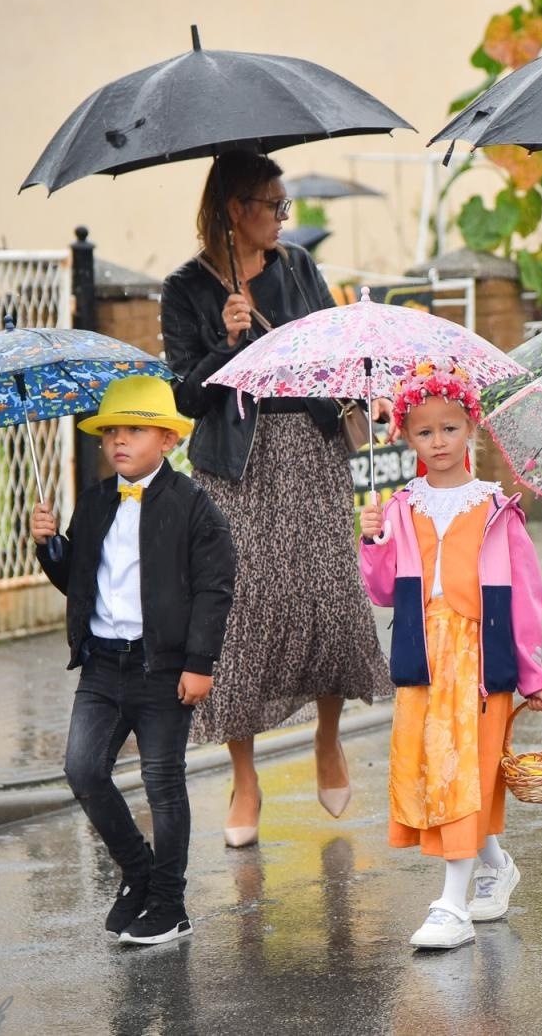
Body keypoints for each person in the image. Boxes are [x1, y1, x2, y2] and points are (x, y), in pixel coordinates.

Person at [161, 149, 389, 844]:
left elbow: (335, 350)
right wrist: (228, 343)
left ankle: (327, 736)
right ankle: (245, 776)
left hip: (311, 450)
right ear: (236, 210)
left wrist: (366, 372)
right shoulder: (185, 288)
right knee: (242, 612)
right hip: (236, 468)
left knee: (324, 592)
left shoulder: (297, 268)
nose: (284, 218)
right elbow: (184, 397)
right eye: (274, 205)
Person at [358, 362, 542, 950]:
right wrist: (372, 542)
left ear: (470, 425)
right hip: (423, 653)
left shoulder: (496, 508)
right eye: (424, 432)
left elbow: (525, 596)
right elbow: (385, 590)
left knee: (464, 770)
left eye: (449, 428)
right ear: (406, 436)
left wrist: (531, 670)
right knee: (434, 770)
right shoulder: (399, 506)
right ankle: (495, 863)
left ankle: (452, 902)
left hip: (479, 656)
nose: (437, 442)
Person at [31, 375, 235, 945]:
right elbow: (78, 582)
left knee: (162, 781)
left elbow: (214, 589)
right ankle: (139, 872)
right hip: (102, 665)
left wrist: (201, 663)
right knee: (83, 769)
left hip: (164, 666)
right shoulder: (95, 502)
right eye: (111, 432)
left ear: (168, 439)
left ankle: (170, 903)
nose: (120, 441)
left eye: (135, 430)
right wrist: (51, 548)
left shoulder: (195, 507)